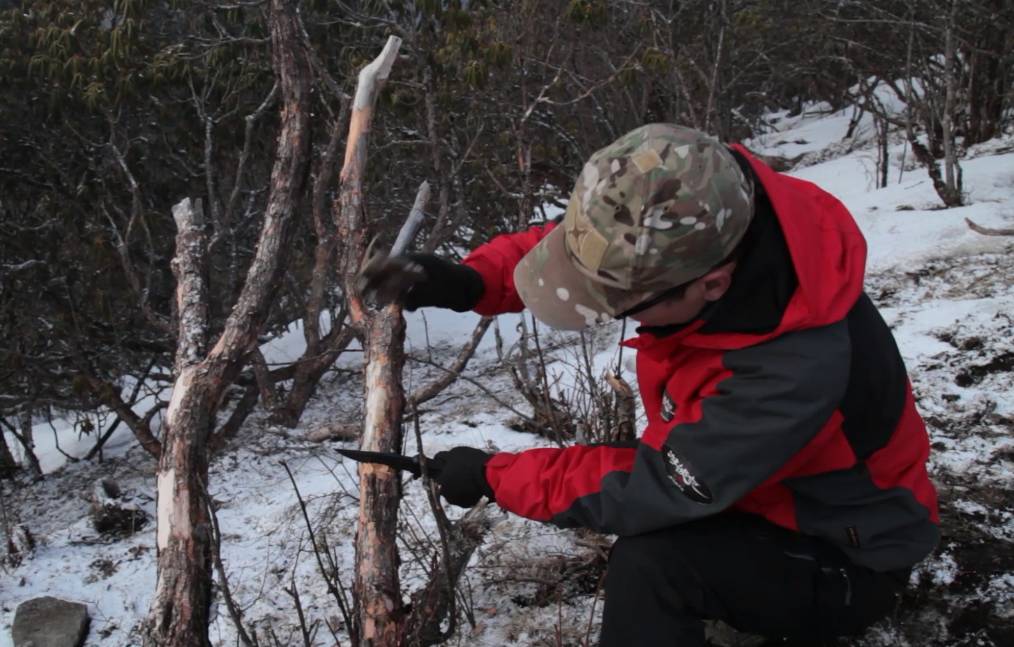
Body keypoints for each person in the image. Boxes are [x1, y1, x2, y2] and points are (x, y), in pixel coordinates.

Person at [359, 124, 939, 646]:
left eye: (624, 306)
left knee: (652, 566)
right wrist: (469, 281)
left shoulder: (787, 372)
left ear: (711, 285)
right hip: (752, 492)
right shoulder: (698, 196)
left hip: (844, 551)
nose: (615, 314)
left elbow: (656, 485)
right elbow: (593, 246)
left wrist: (493, 475)